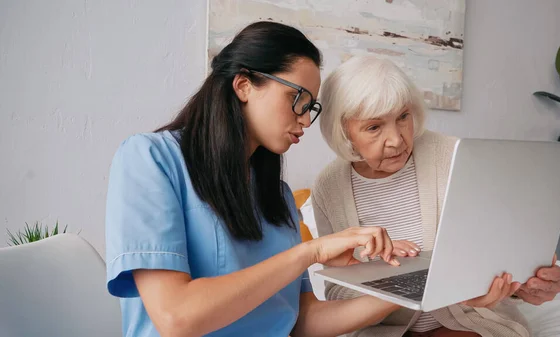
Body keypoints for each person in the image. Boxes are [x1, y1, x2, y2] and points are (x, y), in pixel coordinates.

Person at [104, 21, 416, 337]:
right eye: (297, 98)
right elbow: (176, 318)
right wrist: (311, 252)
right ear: (243, 86)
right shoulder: (151, 159)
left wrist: (411, 289)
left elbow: (301, 320)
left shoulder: (276, 195)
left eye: (310, 106)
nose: (305, 119)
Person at [313, 55, 560, 337]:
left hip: (466, 320)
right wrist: (389, 285)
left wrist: (527, 279)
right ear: (344, 130)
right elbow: (335, 290)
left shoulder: (453, 156)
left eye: (403, 117)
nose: (396, 139)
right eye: (374, 127)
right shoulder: (328, 186)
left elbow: (496, 248)